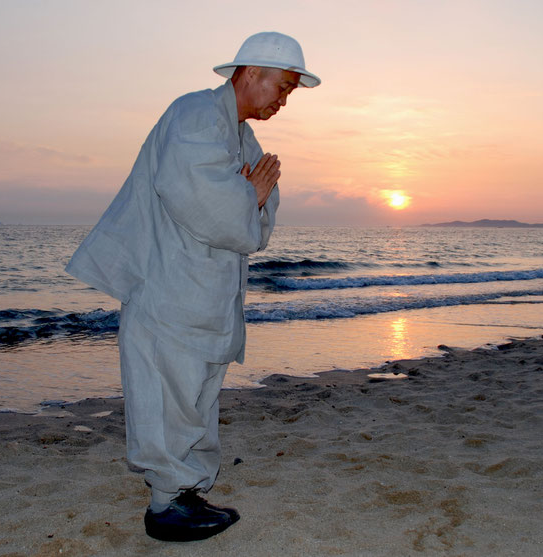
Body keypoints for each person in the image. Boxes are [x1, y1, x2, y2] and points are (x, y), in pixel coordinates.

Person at [65, 32, 320, 542]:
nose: (285, 100)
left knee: (199, 397)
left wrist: (254, 196)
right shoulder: (194, 116)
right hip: (170, 289)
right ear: (250, 74)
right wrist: (250, 193)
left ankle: (187, 492)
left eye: (292, 92)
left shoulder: (242, 136)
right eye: (283, 87)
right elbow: (199, 199)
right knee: (168, 395)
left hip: (207, 293)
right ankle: (165, 506)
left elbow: (253, 224)